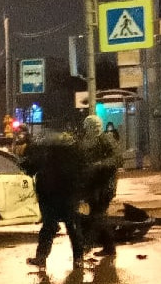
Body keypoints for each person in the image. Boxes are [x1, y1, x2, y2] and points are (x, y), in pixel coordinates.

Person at [21, 131, 86, 270]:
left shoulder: (49, 155)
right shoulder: (71, 154)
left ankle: (43, 257)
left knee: (55, 226)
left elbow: (30, 168)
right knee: (69, 226)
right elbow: (82, 174)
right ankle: (77, 257)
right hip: (60, 195)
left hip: (56, 195)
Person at [80, 115, 123, 256]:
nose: (87, 130)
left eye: (90, 127)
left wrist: (99, 165)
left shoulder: (106, 139)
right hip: (93, 186)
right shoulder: (87, 142)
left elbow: (117, 159)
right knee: (96, 215)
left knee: (98, 216)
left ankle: (88, 244)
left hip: (105, 186)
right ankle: (109, 247)